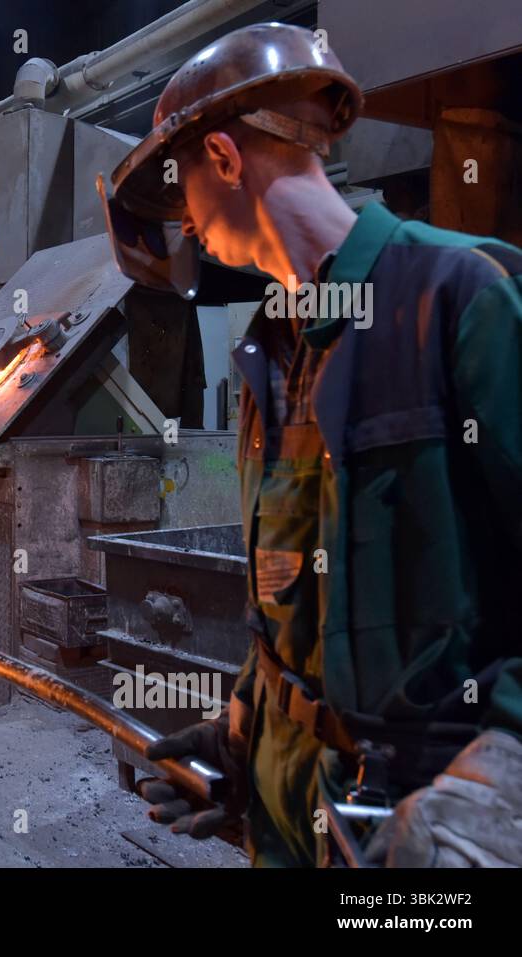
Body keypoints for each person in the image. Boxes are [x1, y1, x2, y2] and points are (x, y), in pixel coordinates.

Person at [99, 21, 522, 866]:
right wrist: (244, 736)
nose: (185, 222)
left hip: (422, 830)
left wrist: (499, 782)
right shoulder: (275, 345)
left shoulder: (458, 293)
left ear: (222, 158)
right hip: (294, 811)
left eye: (182, 187)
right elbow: (294, 600)